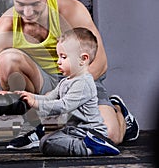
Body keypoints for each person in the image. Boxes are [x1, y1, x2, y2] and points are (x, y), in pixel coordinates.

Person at [0, 0, 139, 149]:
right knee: (6, 60)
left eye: (35, 4)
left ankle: (119, 111)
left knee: (110, 135)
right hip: (43, 82)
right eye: (21, 4)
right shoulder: (5, 25)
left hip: (81, 79)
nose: (28, 12)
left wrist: (66, 95)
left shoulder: (71, 11)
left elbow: (101, 63)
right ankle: (39, 126)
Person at [16, 27, 120, 156]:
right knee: (46, 141)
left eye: (63, 57)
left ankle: (91, 147)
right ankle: (86, 145)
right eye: (58, 56)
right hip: (75, 130)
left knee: (48, 143)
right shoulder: (66, 81)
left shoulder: (83, 83)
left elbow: (63, 106)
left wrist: (36, 104)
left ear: (83, 59)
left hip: (89, 131)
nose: (58, 62)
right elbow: (50, 99)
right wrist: (29, 96)